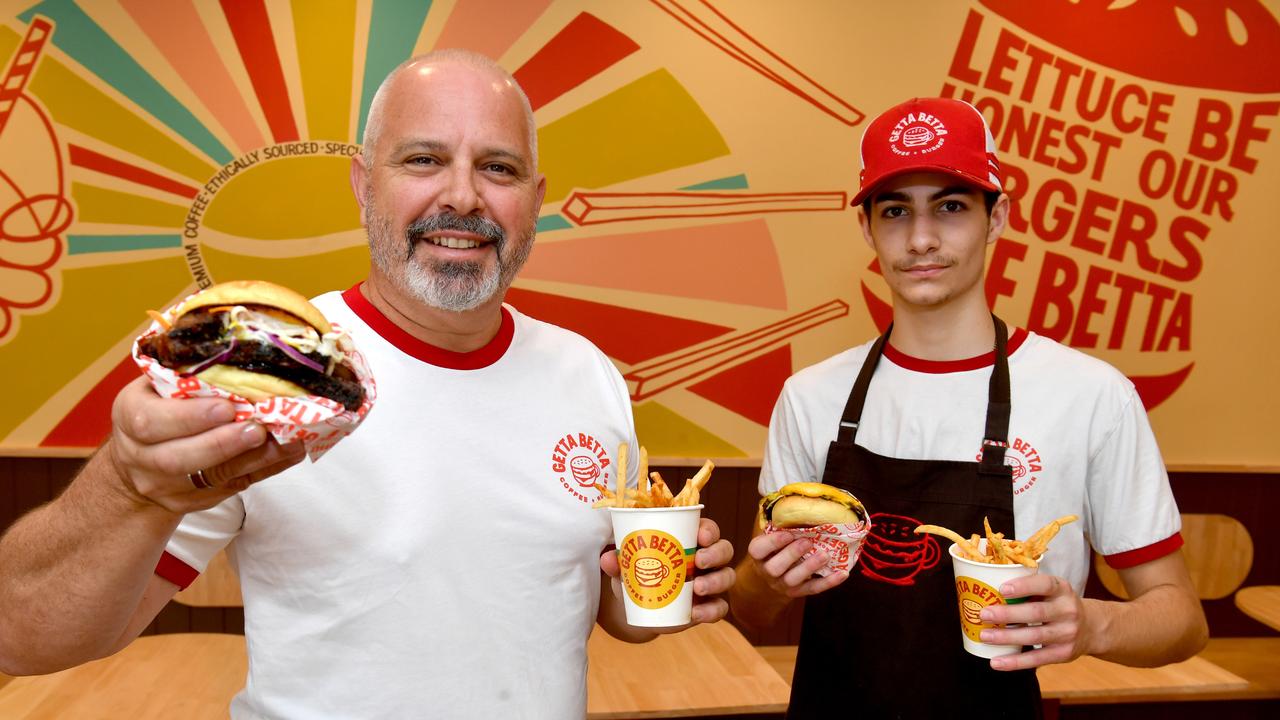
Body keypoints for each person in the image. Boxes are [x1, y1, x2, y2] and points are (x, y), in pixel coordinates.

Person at [0, 50, 735, 718]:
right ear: (362, 181)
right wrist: (128, 489)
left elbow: (610, 611)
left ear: (534, 198)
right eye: (424, 159)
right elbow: (21, 639)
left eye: (499, 168)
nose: (464, 197)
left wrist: (666, 587)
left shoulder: (589, 374)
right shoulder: (268, 369)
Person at [728, 97, 1207, 718]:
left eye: (950, 207)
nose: (921, 238)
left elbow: (1182, 620)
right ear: (867, 228)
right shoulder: (811, 396)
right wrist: (761, 583)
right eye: (896, 211)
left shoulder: (1090, 395)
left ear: (996, 216)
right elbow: (750, 605)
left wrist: (1090, 626)